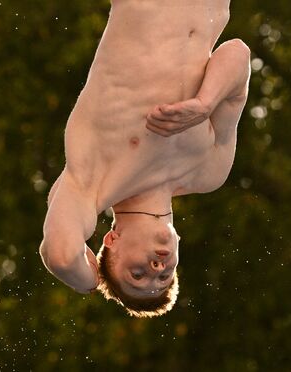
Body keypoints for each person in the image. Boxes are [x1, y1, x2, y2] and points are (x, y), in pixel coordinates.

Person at [39, 0, 251, 317]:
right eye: (165, 277)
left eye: (136, 275)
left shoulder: (94, 183)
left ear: (112, 240)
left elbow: (61, 255)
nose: (155, 268)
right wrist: (205, 104)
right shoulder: (209, 173)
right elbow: (238, 54)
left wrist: (89, 283)